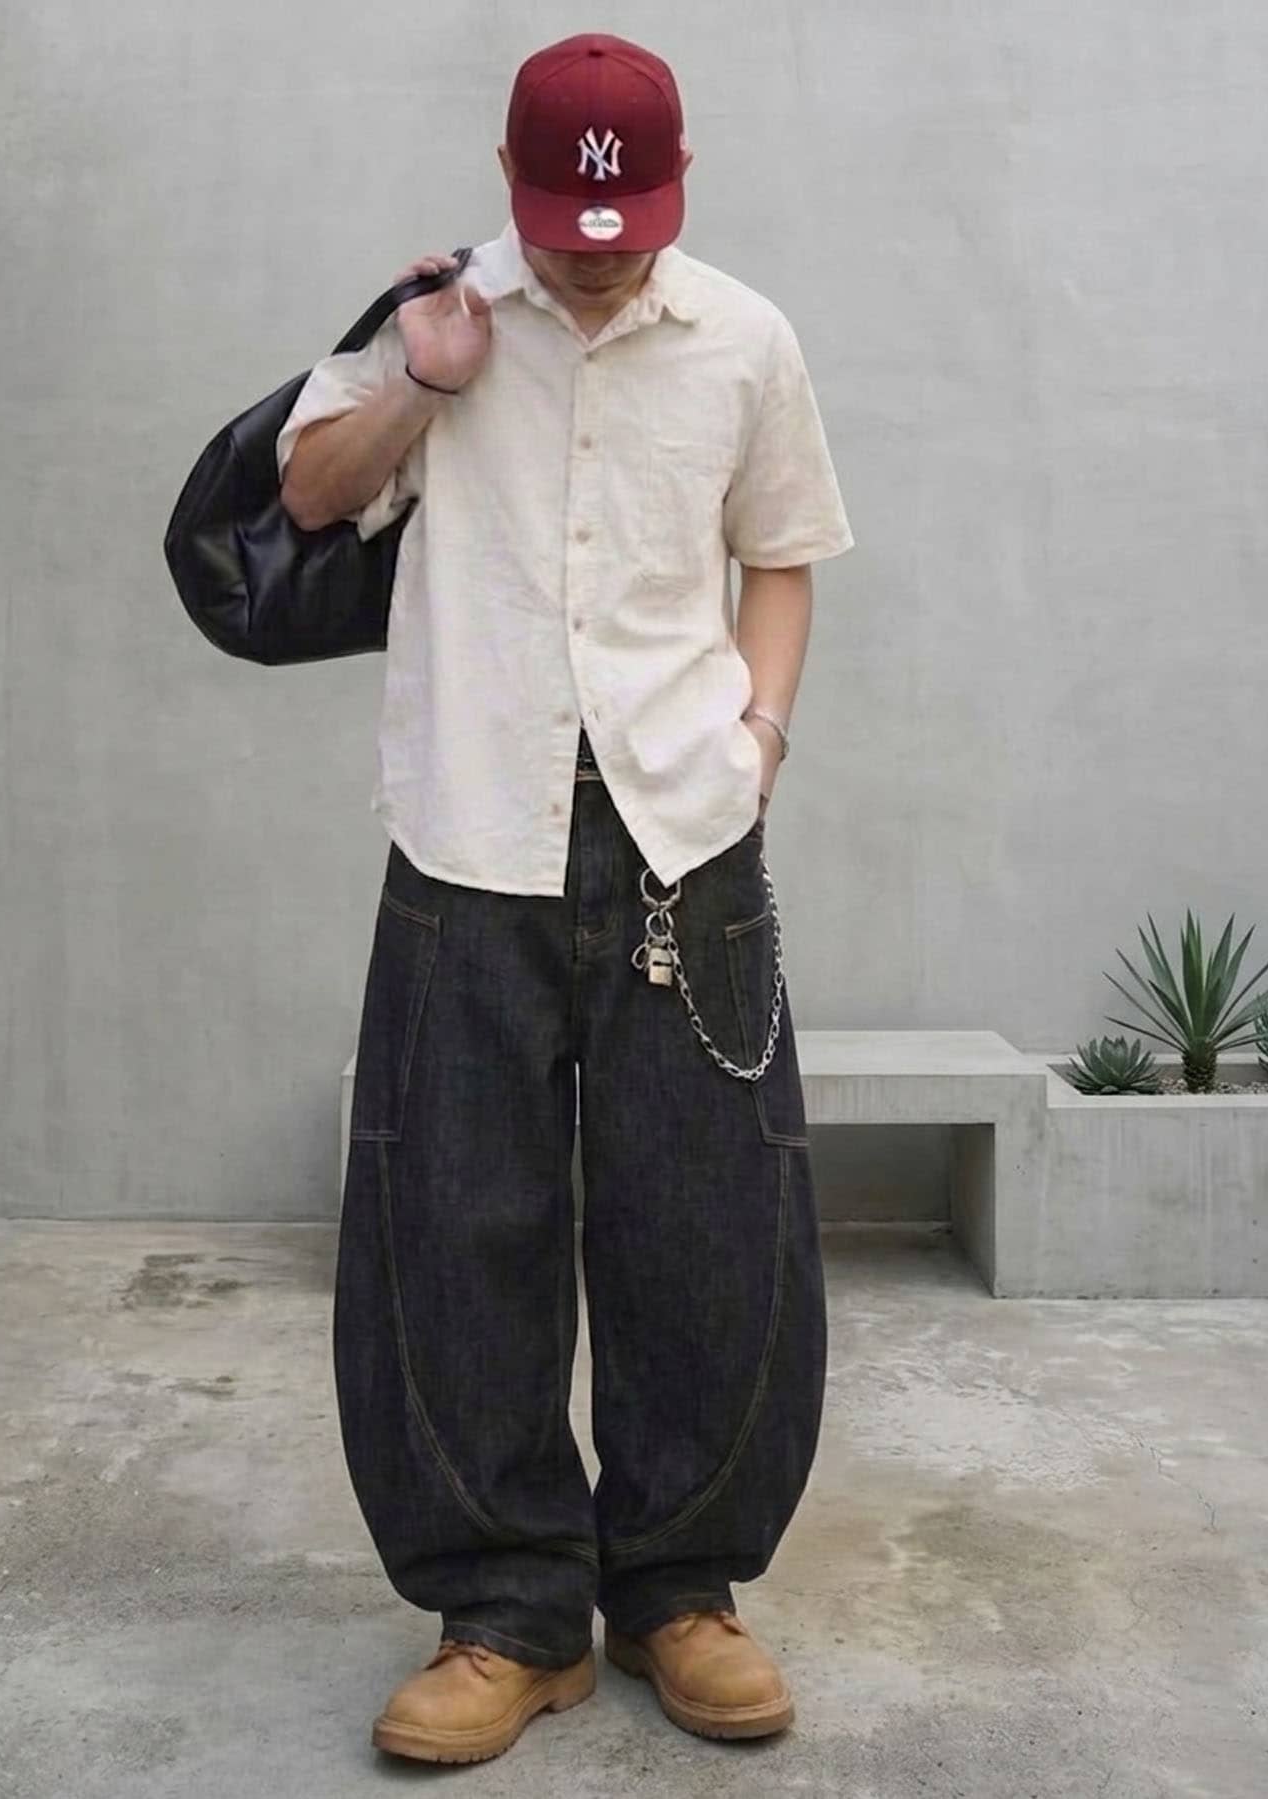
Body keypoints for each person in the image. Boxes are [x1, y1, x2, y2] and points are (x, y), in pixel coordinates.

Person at [276, 29, 854, 1766]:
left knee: (712, 1226)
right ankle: (508, 1615)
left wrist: (756, 744)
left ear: (678, 185)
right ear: (515, 184)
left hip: (686, 834)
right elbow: (307, 498)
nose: (597, 258)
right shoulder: (439, 314)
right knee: (453, 1225)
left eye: (626, 228)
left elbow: (781, 556)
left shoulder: (744, 338)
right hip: (472, 835)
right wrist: (423, 381)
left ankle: (680, 1591)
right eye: (568, 226)